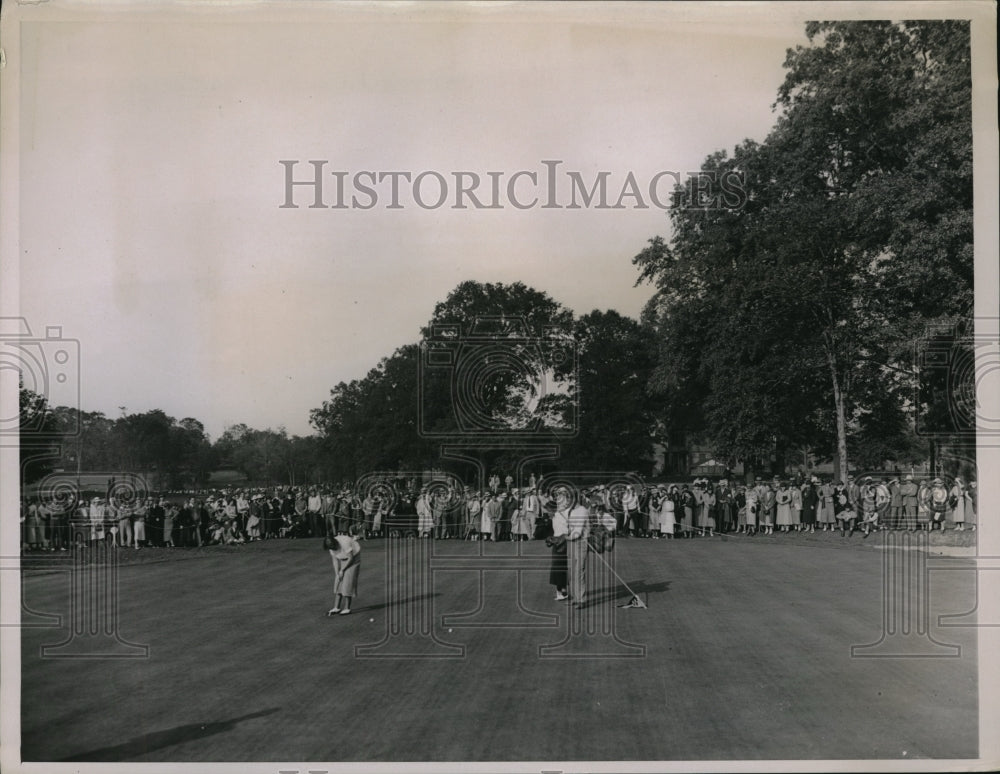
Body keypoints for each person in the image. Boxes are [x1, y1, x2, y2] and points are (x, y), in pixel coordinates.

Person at [559, 488, 590, 607]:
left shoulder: (582, 510)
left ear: (574, 499)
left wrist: (565, 537)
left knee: (579, 572)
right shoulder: (571, 511)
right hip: (572, 543)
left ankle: (582, 600)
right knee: (572, 572)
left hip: (581, 542)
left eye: (568, 499)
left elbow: (577, 531)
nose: (567, 501)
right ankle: (576, 598)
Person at [325, 531, 362, 616]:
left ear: (335, 543)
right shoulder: (330, 547)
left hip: (354, 558)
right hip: (343, 558)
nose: (332, 548)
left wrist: (343, 570)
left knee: (347, 582)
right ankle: (336, 607)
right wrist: (337, 573)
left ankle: (347, 608)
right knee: (338, 581)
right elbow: (335, 560)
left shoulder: (344, 542)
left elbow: (351, 558)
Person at [547, 499, 569, 601]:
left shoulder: (560, 516)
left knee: (558, 567)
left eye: (548, 510)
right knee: (559, 567)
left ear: (553, 509)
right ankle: (562, 591)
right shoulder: (554, 518)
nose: (547, 513)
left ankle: (561, 592)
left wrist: (557, 539)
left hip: (562, 544)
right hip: (557, 544)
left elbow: (566, 531)